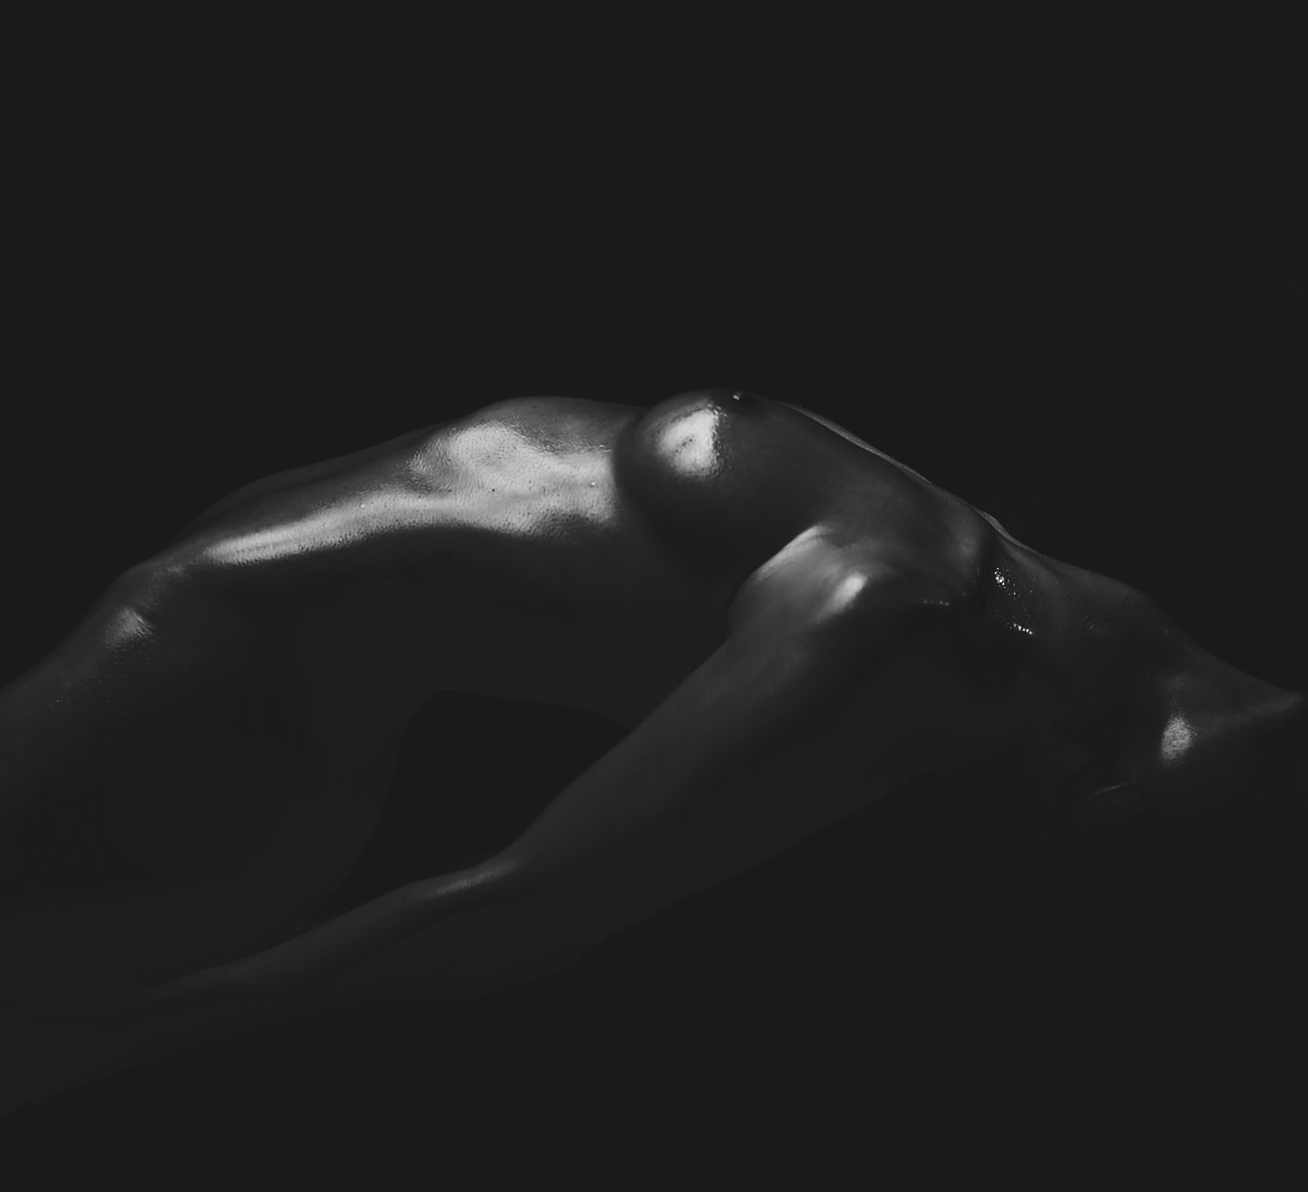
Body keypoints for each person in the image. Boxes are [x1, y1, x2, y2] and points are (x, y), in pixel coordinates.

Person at [2, 387, 1306, 1113]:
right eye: (1131, 814)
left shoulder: (937, 635)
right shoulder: (906, 619)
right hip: (205, 665)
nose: (1092, 808)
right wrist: (99, 1045)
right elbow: (521, 909)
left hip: (229, 723)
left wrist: (100, 1045)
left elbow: (522, 908)